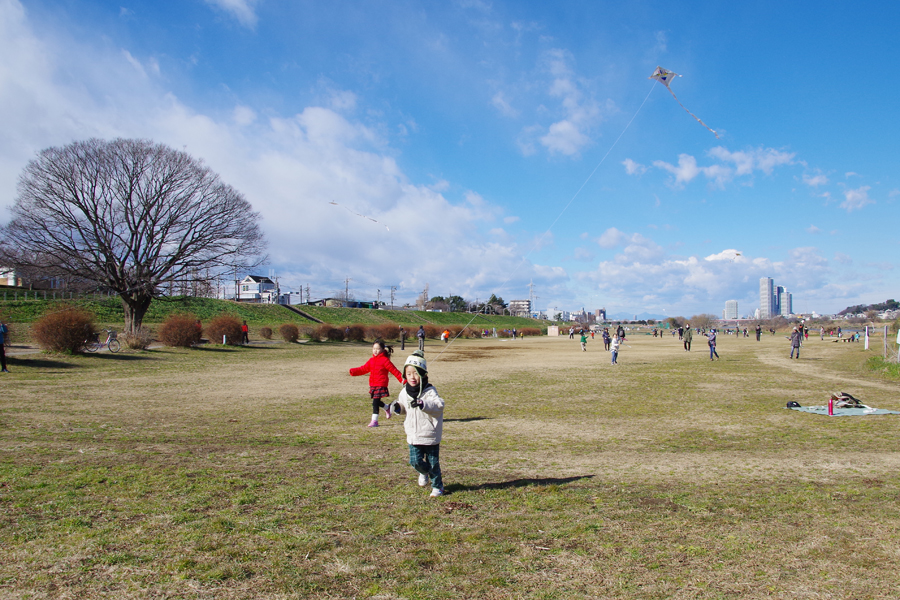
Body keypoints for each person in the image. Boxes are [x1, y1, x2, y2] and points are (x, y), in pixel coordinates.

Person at [391, 350, 445, 497]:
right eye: (408, 374)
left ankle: (437, 487)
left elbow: (439, 406)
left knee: (433, 463)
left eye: (415, 373)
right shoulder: (404, 392)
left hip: (430, 434)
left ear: (423, 374)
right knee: (415, 461)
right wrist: (397, 408)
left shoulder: (430, 391)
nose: (412, 377)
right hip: (413, 434)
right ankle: (424, 472)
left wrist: (423, 404)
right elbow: (403, 408)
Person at [349, 339, 403, 428]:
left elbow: (395, 371)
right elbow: (363, 369)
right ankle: (387, 408)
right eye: (374, 348)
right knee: (376, 401)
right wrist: (353, 371)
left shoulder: (385, 360)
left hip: (381, 384)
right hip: (373, 384)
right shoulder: (371, 360)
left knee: (375, 402)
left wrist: (403, 380)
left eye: (377, 349)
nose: (375, 350)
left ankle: (374, 421)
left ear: (382, 349)